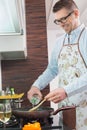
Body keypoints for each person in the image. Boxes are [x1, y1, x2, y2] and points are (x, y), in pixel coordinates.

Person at [27, 0, 87, 129]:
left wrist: (66, 91)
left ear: (76, 13)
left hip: (85, 107)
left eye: (64, 19)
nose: (61, 24)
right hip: (65, 108)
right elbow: (52, 70)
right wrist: (36, 86)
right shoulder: (60, 42)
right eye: (57, 21)